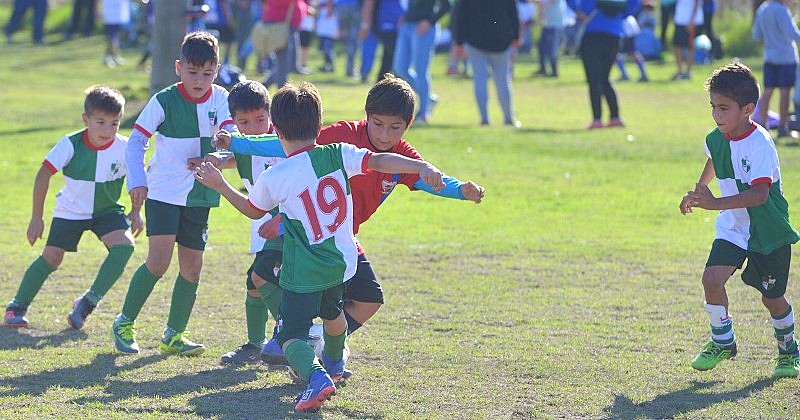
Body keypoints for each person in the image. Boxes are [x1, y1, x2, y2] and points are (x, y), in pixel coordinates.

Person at [194, 81, 446, 412]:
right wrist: (422, 166)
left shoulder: (278, 176)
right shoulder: (338, 152)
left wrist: (219, 184)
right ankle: (336, 364)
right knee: (332, 314)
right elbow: (381, 162)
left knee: (290, 339)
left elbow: (253, 211)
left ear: (278, 131)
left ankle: (317, 376)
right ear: (319, 126)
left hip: (306, 269)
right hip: (343, 261)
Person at [215, 75, 486, 364]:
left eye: (395, 128)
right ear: (367, 116)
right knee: (262, 274)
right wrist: (238, 144)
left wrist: (461, 190)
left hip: (342, 237)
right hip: (304, 229)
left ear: (408, 126)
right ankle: (286, 339)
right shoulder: (344, 137)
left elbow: (431, 179)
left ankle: (314, 338)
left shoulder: (403, 157)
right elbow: (288, 141)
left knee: (370, 299)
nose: (384, 135)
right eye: (378, 124)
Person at [111, 32, 235, 356]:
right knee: (158, 262)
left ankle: (173, 335)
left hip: (201, 192)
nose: (199, 79)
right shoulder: (163, 100)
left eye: (207, 73)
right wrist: (137, 180)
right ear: (179, 67)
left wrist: (216, 155)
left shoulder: (222, 98)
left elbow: (229, 138)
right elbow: (137, 141)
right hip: (164, 191)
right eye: (193, 72)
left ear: (217, 69)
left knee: (192, 267)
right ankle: (124, 322)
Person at [679, 63, 800, 379]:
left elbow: (760, 195)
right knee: (711, 279)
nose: (717, 115)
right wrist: (698, 191)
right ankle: (722, 341)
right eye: (713, 107)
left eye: (724, 108)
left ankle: (788, 351)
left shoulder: (759, 143)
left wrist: (714, 202)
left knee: (771, 298)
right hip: (734, 226)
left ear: (748, 109)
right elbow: (713, 160)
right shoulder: (716, 137)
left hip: (767, 230)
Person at [3, 86, 142, 330]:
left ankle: (87, 303)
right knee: (52, 258)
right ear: (85, 119)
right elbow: (43, 175)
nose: (107, 130)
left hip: (107, 210)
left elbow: (137, 180)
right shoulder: (70, 143)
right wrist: (37, 218)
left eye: (114, 123)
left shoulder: (125, 147)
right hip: (71, 211)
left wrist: (136, 210)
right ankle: (17, 306)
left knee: (124, 247)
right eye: (100, 122)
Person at [185, 81, 286, 364]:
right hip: (270, 225)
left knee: (263, 277)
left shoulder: (280, 144)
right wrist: (216, 158)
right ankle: (257, 344)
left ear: (271, 116)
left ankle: (294, 338)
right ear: (234, 122)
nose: (253, 127)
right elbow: (239, 157)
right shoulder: (241, 143)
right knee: (256, 282)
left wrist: (279, 221)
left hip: (291, 224)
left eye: (260, 120)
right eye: (244, 122)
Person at [567, 0, 640, 129]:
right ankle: (615, 117)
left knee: (594, 79)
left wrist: (577, 11)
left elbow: (581, 6)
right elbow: (633, 4)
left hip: (593, 31)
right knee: (605, 77)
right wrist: (622, 14)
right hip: (614, 33)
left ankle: (597, 119)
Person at [454, 0, 521, 127]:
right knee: (503, 81)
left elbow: (461, 15)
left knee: (480, 81)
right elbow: (513, 13)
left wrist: (459, 41)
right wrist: (516, 36)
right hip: (501, 41)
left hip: (476, 40)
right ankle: (508, 118)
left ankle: (484, 118)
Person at [393, 0, 452, 123]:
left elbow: (447, 6)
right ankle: (428, 98)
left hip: (424, 28)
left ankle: (423, 113)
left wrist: (430, 21)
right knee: (400, 68)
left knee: (420, 70)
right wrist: (405, 17)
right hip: (407, 25)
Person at [753, 0, 800, 139]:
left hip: (769, 56)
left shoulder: (762, 9)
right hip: (786, 57)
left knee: (767, 91)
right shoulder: (782, 10)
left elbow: (756, 34)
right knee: (785, 92)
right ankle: (782, 127)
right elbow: (792, 33)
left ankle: (762, 124)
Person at [359, 0, 404, 83]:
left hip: (399, 26)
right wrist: (365, 25)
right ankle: (385, 84)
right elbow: (368, 4)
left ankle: (384, 84)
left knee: (390, 57)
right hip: (386, 24)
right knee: (393, 58)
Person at [671, 0, 702, 80]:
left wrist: (692, 21)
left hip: (689, 22)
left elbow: (697, 3)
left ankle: (688, 72)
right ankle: (680, 71)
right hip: (679, 20)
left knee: (690, 47)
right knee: (676, 46)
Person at [535, 0, 564, 78]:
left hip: (554, 25)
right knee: (541, 47)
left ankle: (554, 72)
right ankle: (543, 69)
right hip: (547, 24)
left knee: (552, 49)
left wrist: (539, 4)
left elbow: (547, 3)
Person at [102, 0, 132, 67]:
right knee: (111, 36)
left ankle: (114, 56)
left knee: (115, 36)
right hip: (110, 12)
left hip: (119, 11)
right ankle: (108, 57)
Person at [316, 0, 339, 73]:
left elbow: (330, 3)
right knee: (325, 48)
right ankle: (327, 65)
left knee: (328, 48)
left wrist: (329, 12)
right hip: (324, 26)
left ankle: (331, 66)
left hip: (328, 27)